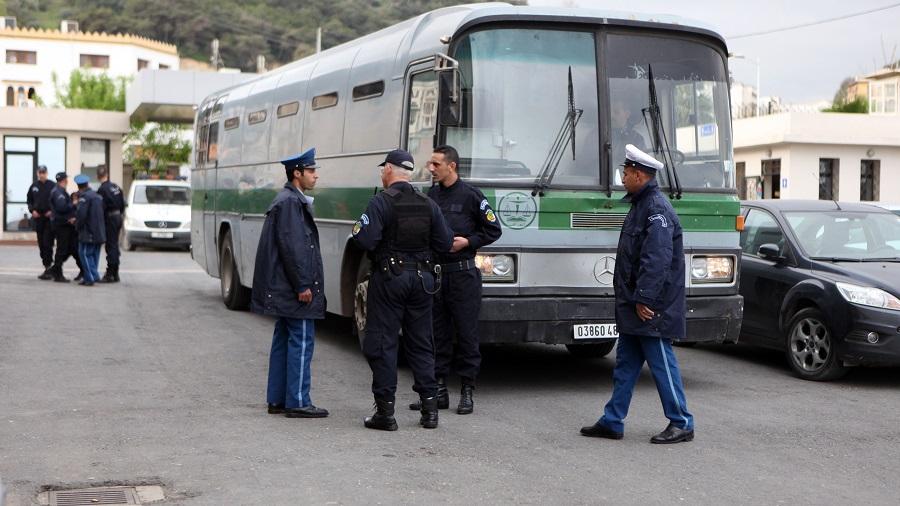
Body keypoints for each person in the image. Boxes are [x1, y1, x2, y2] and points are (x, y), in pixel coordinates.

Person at [580, 144, 694, 444]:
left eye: (626, 173)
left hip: (649, 305)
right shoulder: (641, 205)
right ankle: (613, 421)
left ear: (640, 175)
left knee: (661, 363)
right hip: (635, 302)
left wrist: (645, 299)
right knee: (626, 365)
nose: (622, 177)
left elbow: (656, 259)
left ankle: (682, 421)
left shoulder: (656, 209)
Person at [351, 149, 453, 431]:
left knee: (383, 342)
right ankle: (430, 412)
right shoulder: (427, 203)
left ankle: (385, 414)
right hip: (422, 282)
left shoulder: (381, 201)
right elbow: (444, 243)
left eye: (383, 169)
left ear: (388, 170)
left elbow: (364, 240)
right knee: (421, 343)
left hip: (389, 279)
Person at [407, 145, 502, 415]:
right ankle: (438, 391)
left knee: (467, 333)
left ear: (452, 166)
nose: (431, 168)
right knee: (437, 334)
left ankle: (467, 391)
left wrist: (468, 242)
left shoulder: (472, 196)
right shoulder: (432, 195)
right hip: (436, 276)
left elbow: (493, 229)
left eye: (436, 164)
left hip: (463, 275)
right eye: (430, 163)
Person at [250, 148, 328, 419]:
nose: (315, 175)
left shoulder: (286, 200)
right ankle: (297, 401)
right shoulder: (292, 203)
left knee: (284, 339)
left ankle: (278, 399)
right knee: (302, 341)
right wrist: (303, 285)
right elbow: (294, 249)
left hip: (283, 287)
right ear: (297, 173)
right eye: (310, 171)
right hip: (293, 289)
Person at [48, 173, 82, 283]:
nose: (67, 180)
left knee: (70, 248)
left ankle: (55, 270)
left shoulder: (60, 191)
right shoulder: (58, 192)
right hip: (61, 225)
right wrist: (74, 203)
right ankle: (57, 274)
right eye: (66, 179)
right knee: (62, 249)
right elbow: (62, 207)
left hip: (65, 224)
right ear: (63, 180)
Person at [74, 174, 106, 286]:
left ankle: (90, 277)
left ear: (78, 186)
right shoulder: (97, 195)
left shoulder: (84, 197)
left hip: (89, 231)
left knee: (84, 254)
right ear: (87, 184)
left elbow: (82, 215)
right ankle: (94, 275)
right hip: (99, 231)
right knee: (94, 255)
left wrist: (76, 226)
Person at [96, 165, 126, 282]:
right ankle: (115, 272)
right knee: (114, 244)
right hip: (118, 216)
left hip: (109, 218)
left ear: (98, 176)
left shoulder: (102, 190)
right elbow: (122, 204)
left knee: (111, 245)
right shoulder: (116, 187)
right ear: (107, 174)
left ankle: (110, 273)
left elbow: (101, 208)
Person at [27, 165, 56, 279]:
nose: (42, 174)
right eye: (40, 172)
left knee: (47, 243)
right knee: (41, 245)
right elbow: (29, 201)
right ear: (37, 173)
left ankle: (49, 268)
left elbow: (56, 201)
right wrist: (32, 210)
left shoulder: (52, 185)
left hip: (49, 220)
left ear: (47, 173)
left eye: (43, 172)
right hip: (38, 219)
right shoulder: (34, 186)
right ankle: (47, 266)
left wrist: (52, 211)